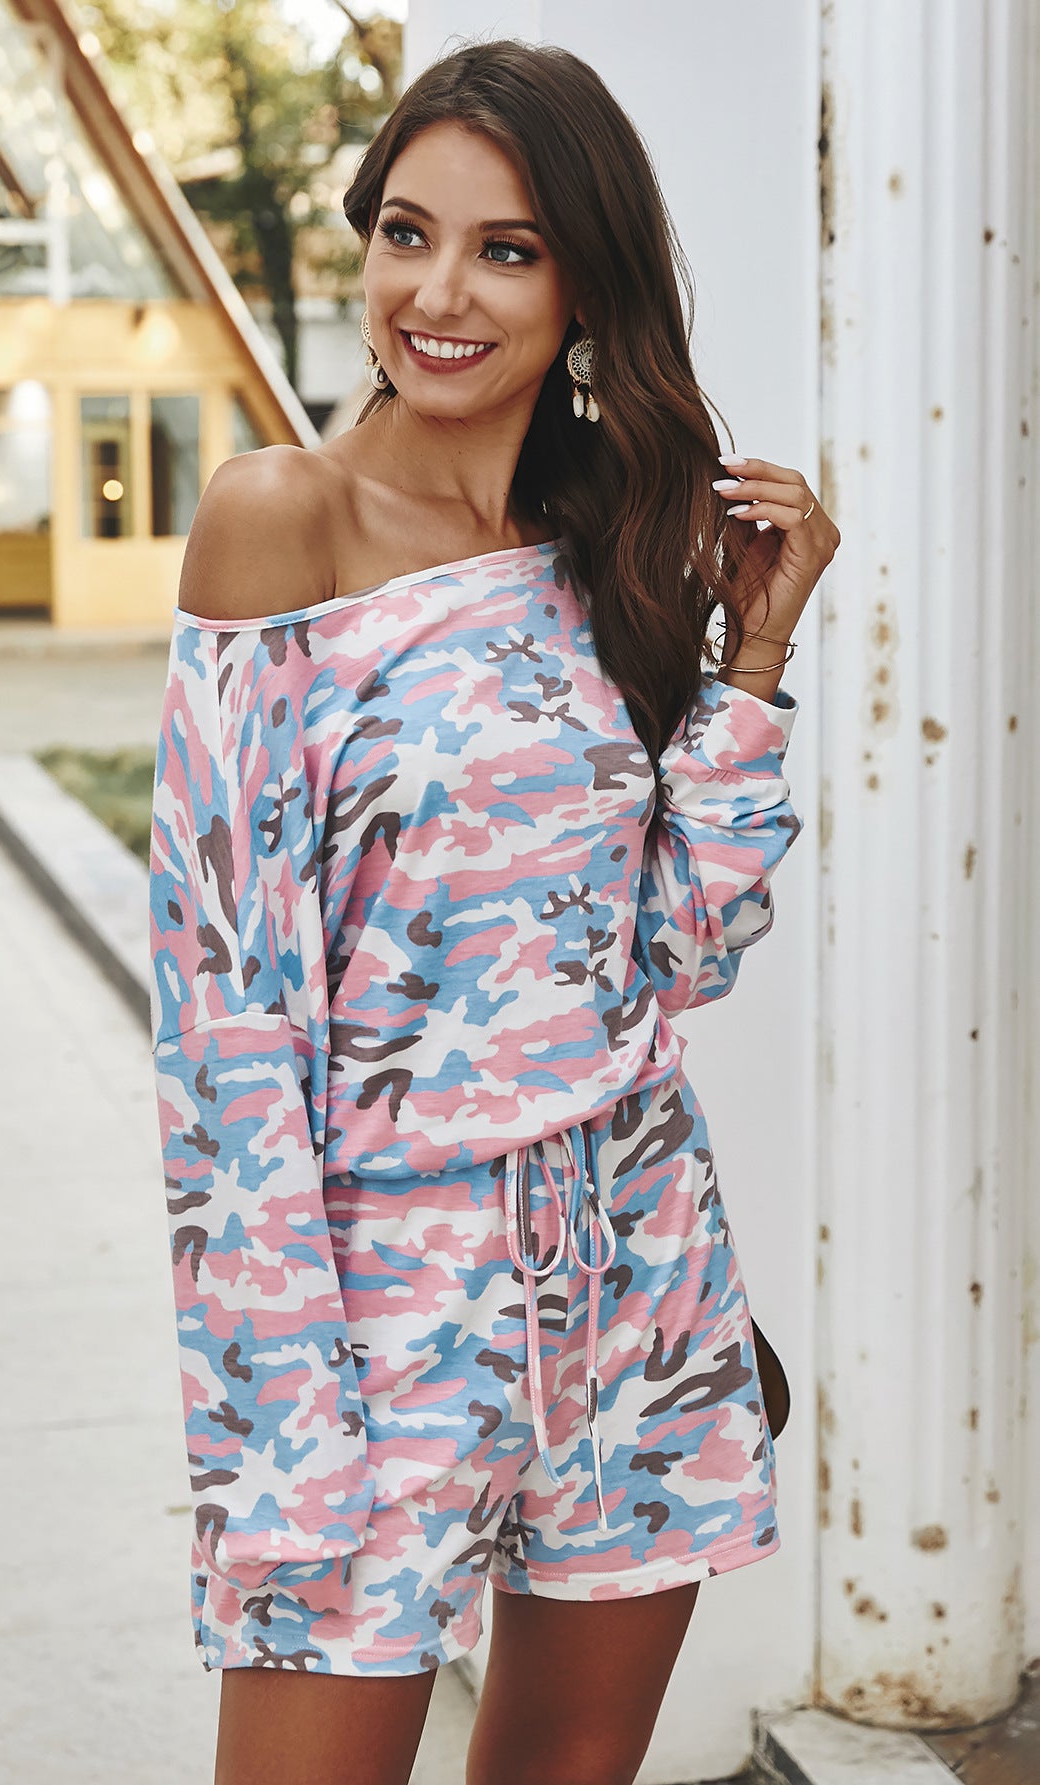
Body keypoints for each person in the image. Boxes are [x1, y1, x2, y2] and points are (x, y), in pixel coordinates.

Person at [147, 36, 839, 1785]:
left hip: (634, 1266)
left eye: (504, 249)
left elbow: (673, 954)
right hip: (379, 1304)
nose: (437, 293)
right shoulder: (280, 523)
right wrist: (282, 1416)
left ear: (583, 284)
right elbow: (227, 1016)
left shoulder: (609, 539)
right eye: (407, 231)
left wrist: (753, 660)